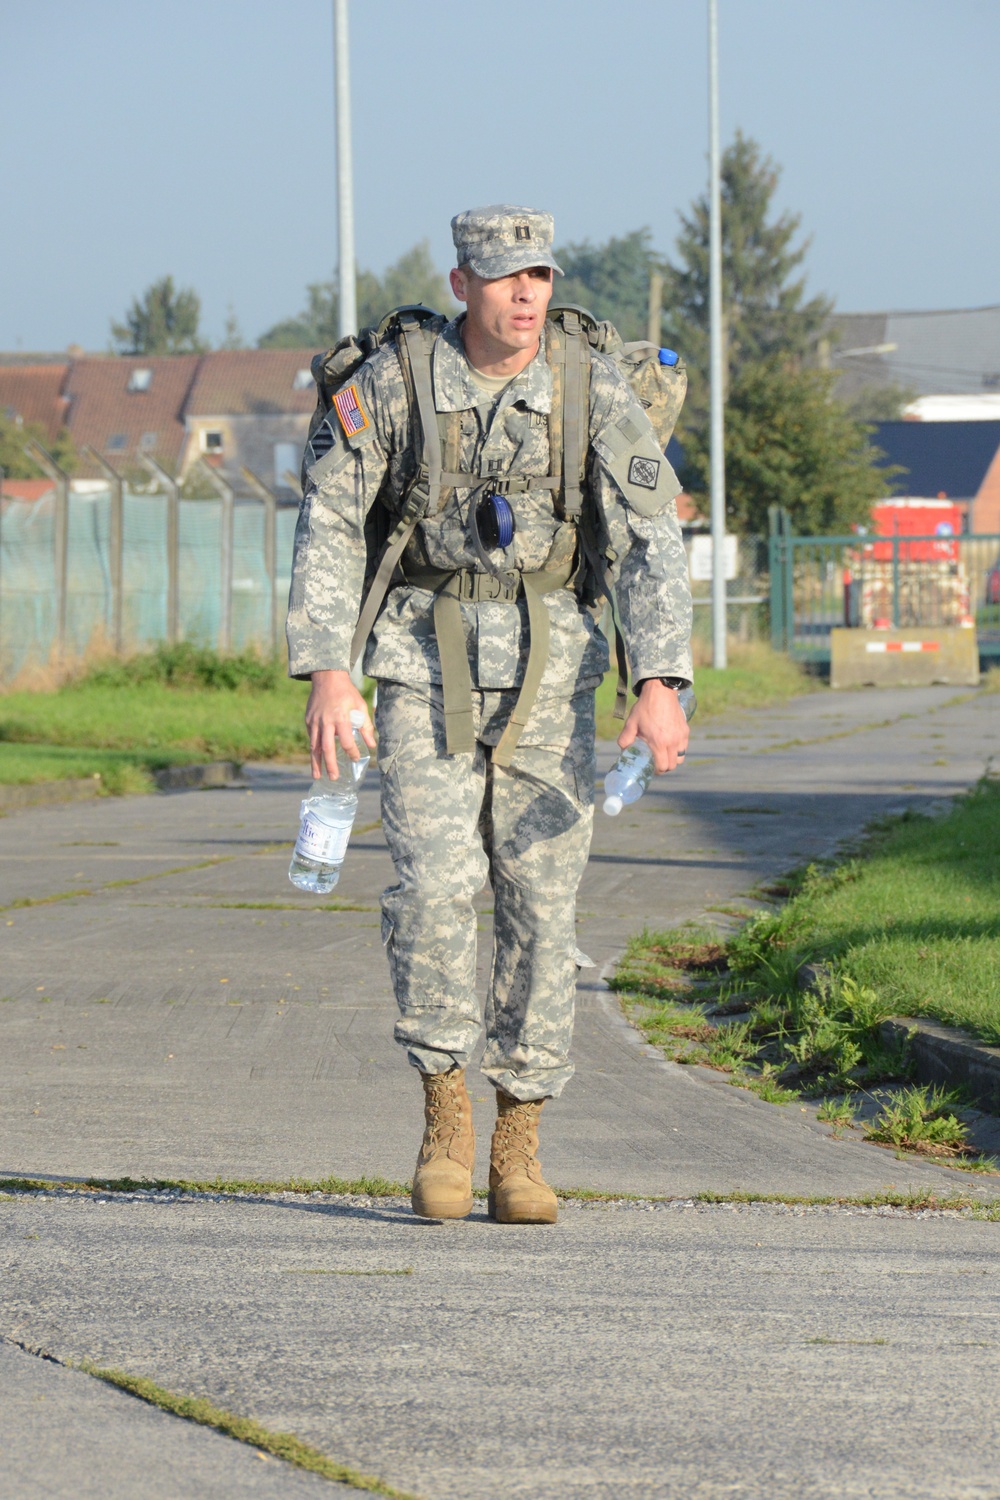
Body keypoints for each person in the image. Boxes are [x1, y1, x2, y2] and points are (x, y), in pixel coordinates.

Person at [287, 205, 692, 1226]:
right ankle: (445, 1120)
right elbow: (332, 520)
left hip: (555, 677)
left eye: (540, 275)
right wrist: (327, 670)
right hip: (420, 667)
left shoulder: (587, 384)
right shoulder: (397, 381)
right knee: (430, 892)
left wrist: (661, 684)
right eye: (505, 276)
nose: (525, 295)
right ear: (463, 281)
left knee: (540, 911)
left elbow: (649, 537)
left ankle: (520, 1142)